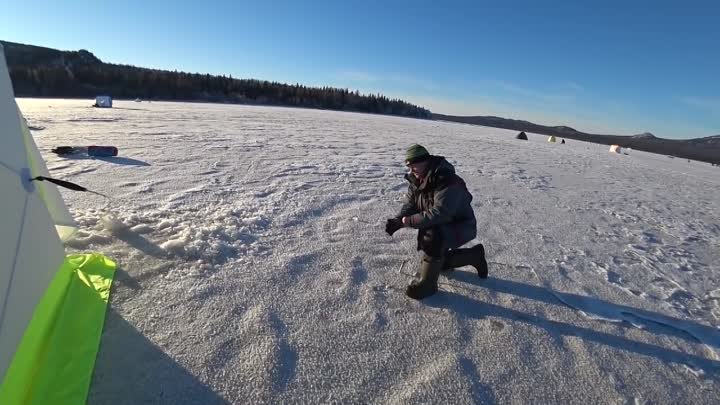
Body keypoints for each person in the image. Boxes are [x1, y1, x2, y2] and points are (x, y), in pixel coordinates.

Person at [385, 144, 488, 299]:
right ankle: (474, 256)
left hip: (461, 226)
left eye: (414, 166)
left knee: (432, 237)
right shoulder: (418, 180)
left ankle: (428, 286)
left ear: (426, 162)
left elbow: (441, 213)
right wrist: (398, 220)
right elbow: (411, 204)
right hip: (444, 225)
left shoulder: (447, 181)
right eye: (409, 167)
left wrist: (410, 221)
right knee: (437, 261)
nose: (411, 171)